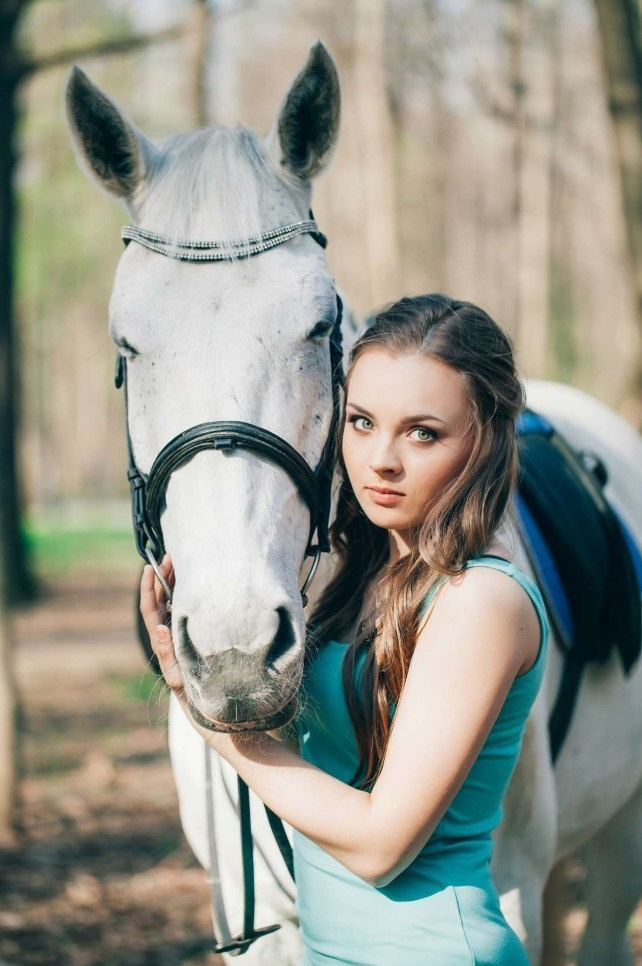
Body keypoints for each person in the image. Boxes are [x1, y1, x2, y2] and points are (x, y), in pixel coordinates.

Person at [140, 294, 550, 965]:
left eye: (423, 432)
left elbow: (380, 845)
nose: (381, 459)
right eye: (362, 422)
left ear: (483, 439)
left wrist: (208, 716)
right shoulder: (361, 580)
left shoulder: (481, 601)